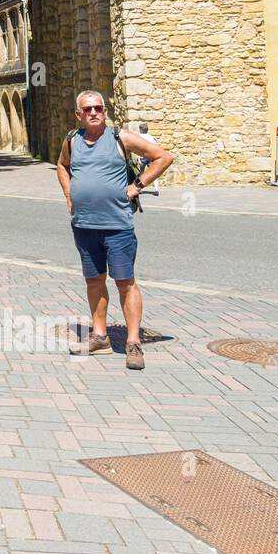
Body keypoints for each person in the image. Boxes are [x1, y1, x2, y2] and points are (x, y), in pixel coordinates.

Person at [56, 91, 173, 371]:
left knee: (125, 282)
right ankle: (100, 337)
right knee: (94, 281)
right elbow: (62, 165)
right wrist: (69, 194)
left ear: (105, 112)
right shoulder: (72, 141)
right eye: (87, 109)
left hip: (117, 225)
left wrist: (137, 186)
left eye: (98, 108)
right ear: (78, 115)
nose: (94, 112)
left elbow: (162, 158)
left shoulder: (122, 138)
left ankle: (133, 342)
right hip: (84, 225)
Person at [136, 123, 160, 195]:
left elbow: (137, 148)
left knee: (141, 173)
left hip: (142, 156)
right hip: (151, 157)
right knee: (154, 173)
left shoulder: (139, 137)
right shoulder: (151, 137)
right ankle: (156, 189)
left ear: (140, 129)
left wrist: (138, 158)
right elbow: (156, 146)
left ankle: (139, 189)